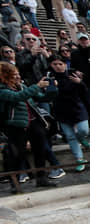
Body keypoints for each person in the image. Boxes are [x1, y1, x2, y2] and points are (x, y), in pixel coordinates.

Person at [0, 61, 58, 190]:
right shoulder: (2, 89)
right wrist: (37, 85)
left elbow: (42, 98)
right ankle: (14, 183)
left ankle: (42, 178)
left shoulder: (21, 86)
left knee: (40, 150)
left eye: (17, 74)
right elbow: (17, 97)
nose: (17, 76)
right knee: (15, 154)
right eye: (14, 74)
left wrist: (52, 89)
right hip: (16, 125)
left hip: (33, 121)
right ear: (5, 75)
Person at [48, 55, 90, 171]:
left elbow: (85, 92)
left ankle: (81, 139)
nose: (58, 67)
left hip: (77, 108)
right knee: (70, 136)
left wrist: (80, 82)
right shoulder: (50, 78)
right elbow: (48, 95)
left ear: (65, 65)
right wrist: (52, 87)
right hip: (61, 110)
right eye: (55, 64)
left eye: (60, 64)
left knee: (83, 130)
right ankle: (79, 159)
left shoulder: (73, 75)